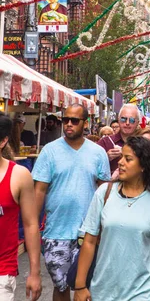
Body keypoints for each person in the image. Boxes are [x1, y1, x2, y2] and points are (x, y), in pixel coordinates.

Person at [73, 136, 150, 301]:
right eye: (121, 157)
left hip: (144, 291)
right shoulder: (104, 193)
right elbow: (89, 241)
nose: (120, 162)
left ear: (143, 166)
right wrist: (80, 285)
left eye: (128, 159)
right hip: (104, 290)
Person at [33, 104, 110, 301]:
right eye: (65, 120)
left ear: (85, 123)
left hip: (88, 233)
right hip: (55, 232)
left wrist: (104, 226)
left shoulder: (98, 152)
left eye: (74, 121)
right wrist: (32, 226)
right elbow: (39, 190)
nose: (68, 124)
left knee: (84, 288)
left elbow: (105, 192)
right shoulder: (49, 151)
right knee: (61, 286)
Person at [0, 113, 42, 301]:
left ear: (3, 141)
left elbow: (31, 224)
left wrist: (35, 272)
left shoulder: (18, 175)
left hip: (2, 272)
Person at [97, 105, 141, 173]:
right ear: (118, 120)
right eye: (123, 119)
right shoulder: (105, 142)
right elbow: (92, 166)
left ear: (137, 122)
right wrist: (106, 158)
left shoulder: (144, 144)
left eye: (132, 120)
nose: (127, 123)